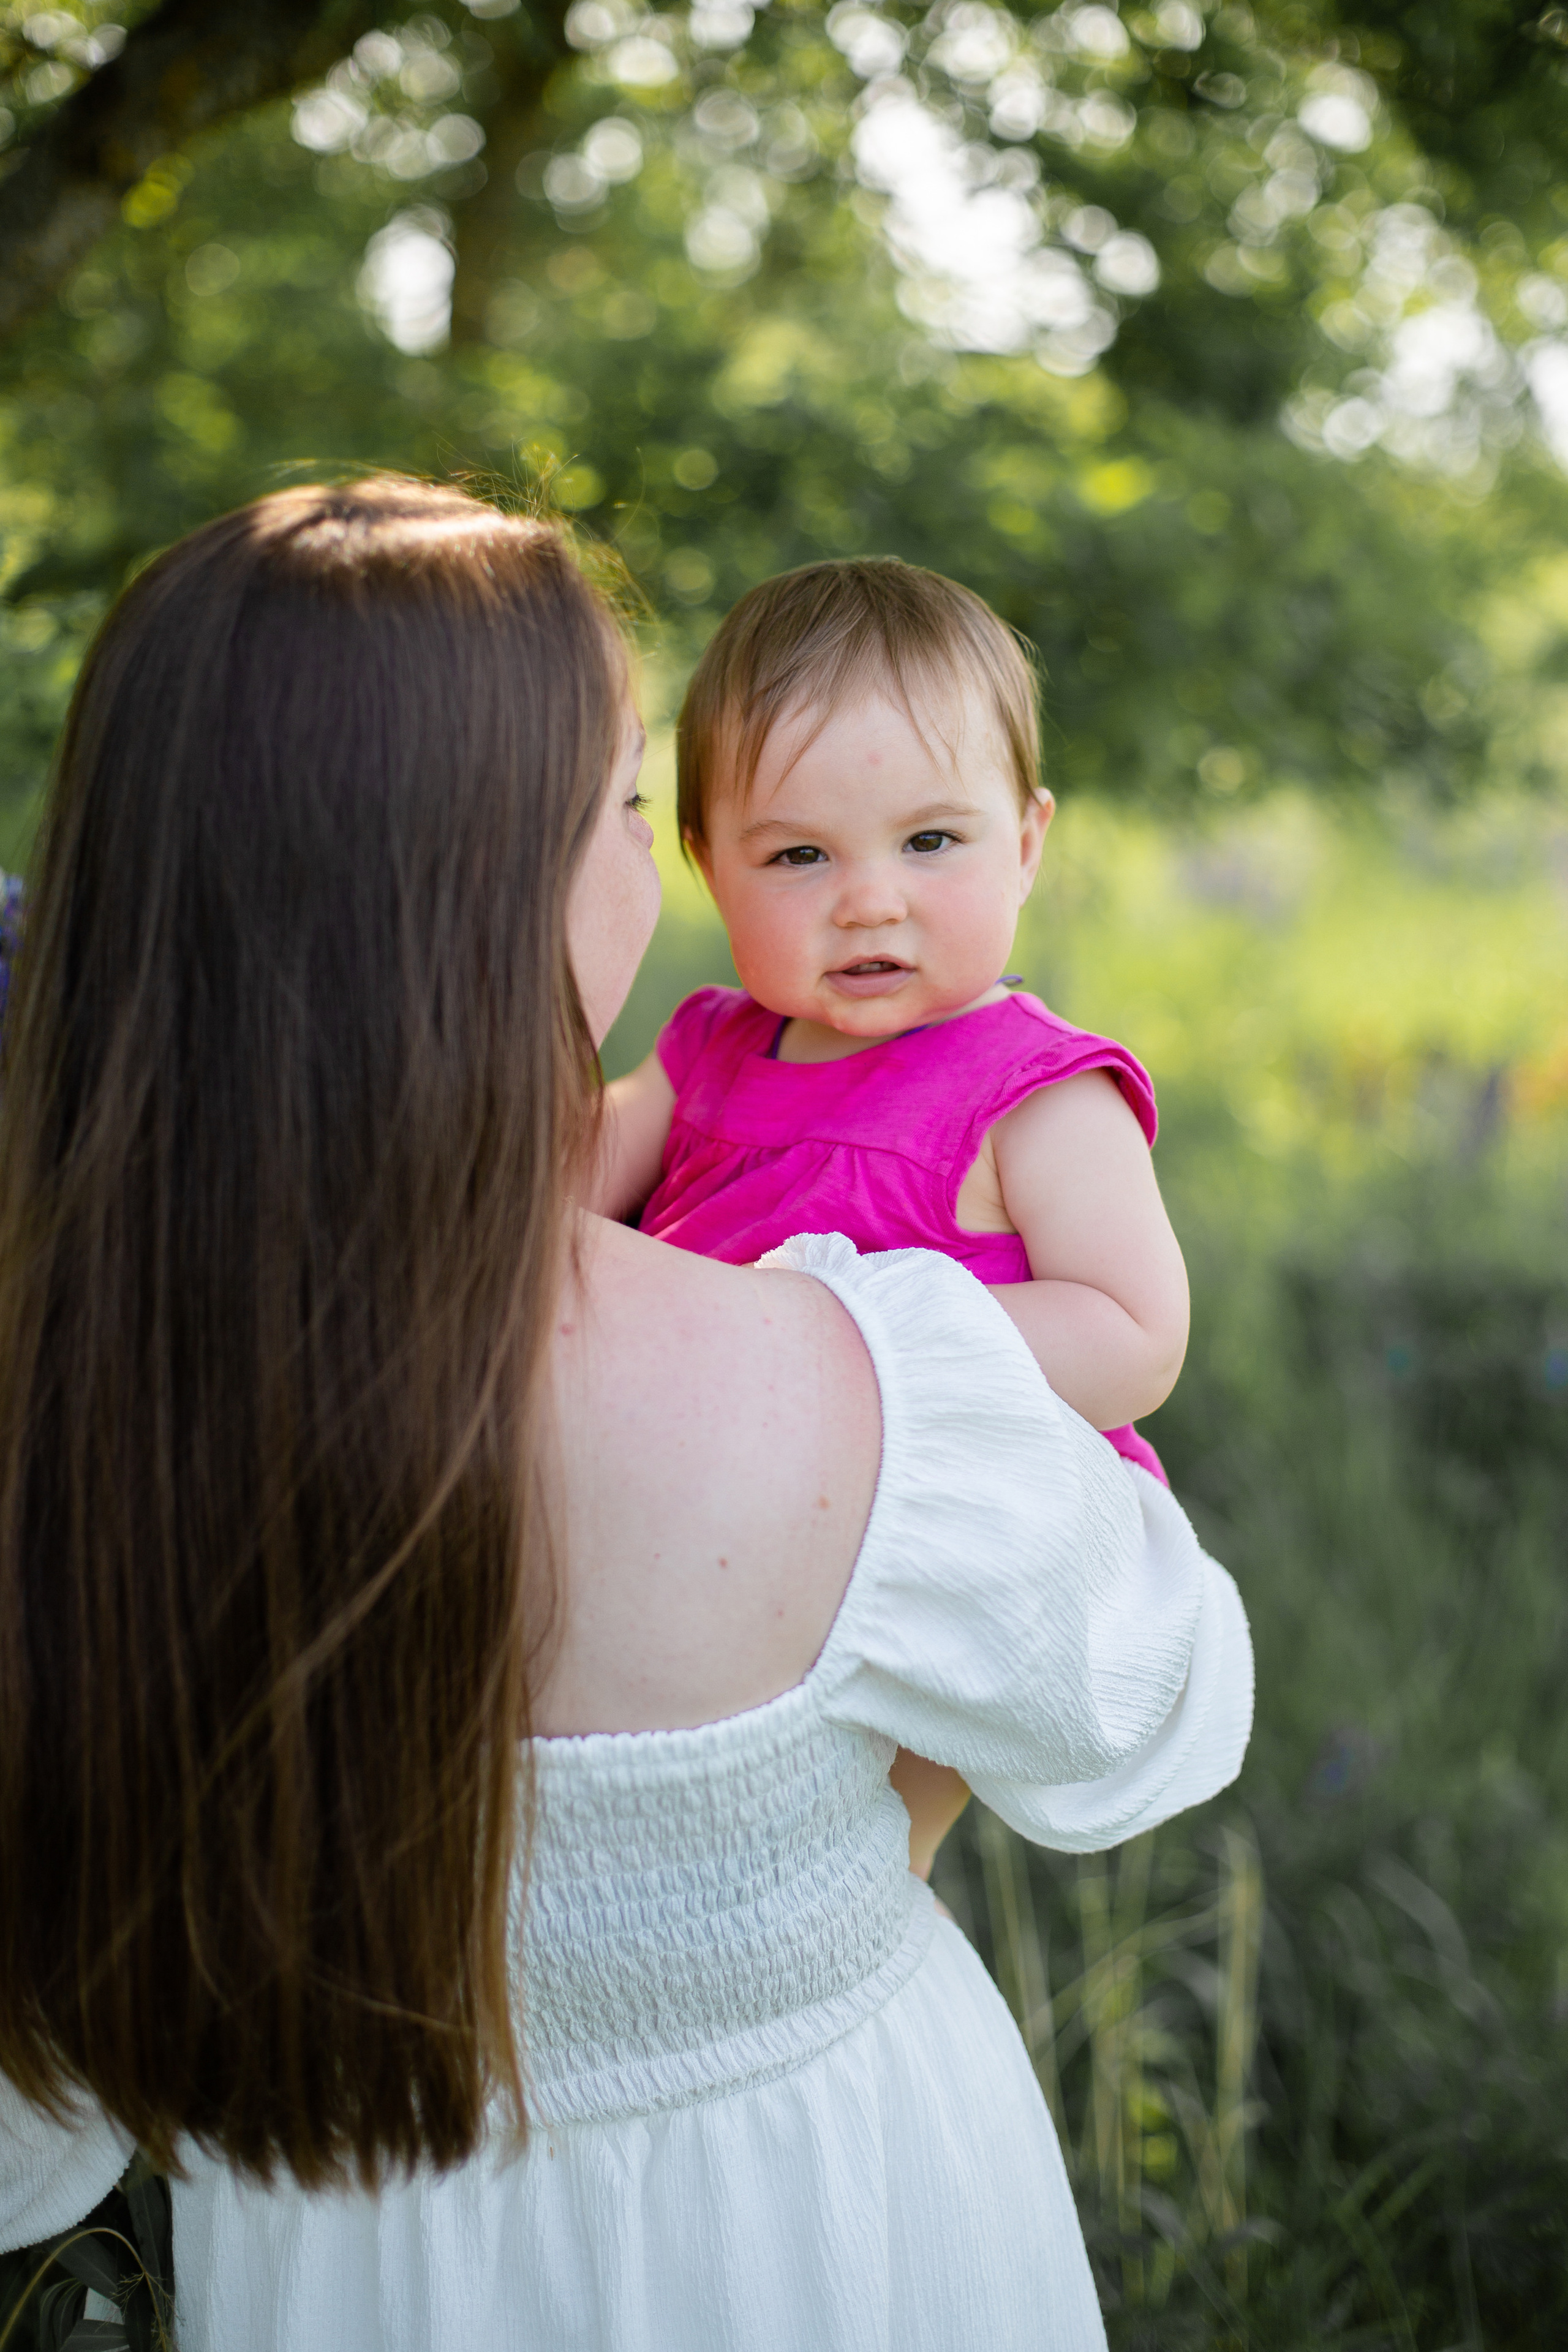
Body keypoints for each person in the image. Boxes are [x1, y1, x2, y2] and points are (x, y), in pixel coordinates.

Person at [0, 476, 1251, 2352]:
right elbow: (1148, 1713)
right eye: (629, 810)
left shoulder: (79, 1371)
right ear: (485, 874)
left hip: (341, 2251)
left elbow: (36, 2135)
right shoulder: (839, 1366)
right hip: (814, 2236)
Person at [594, 556, 1189, 1874]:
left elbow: (1133, 1330)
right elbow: (553, 1187)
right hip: (710, 1535)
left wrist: (843, 1335)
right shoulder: (706, 1052)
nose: (869, 898)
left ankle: (871, 1902)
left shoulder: (1032, 1094)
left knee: (849, 1846)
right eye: (798, 854)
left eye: (930, 842)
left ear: (1023, 843)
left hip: (936, 1525)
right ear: (707, 866)